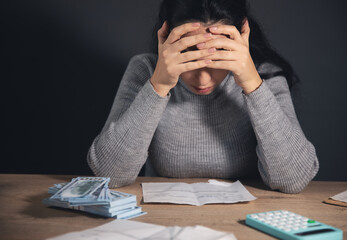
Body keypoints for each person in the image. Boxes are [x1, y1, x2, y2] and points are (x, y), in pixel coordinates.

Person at [87, 0, 319, 193]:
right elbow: (110, 174)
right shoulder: (145, 71)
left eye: (218, 57)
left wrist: (252, 84)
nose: (203, 80)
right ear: (167, 36)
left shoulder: (265, 76)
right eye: (189, 57)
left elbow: (294, 179)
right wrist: (158, 85)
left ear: (241, 36)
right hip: (161, 220)